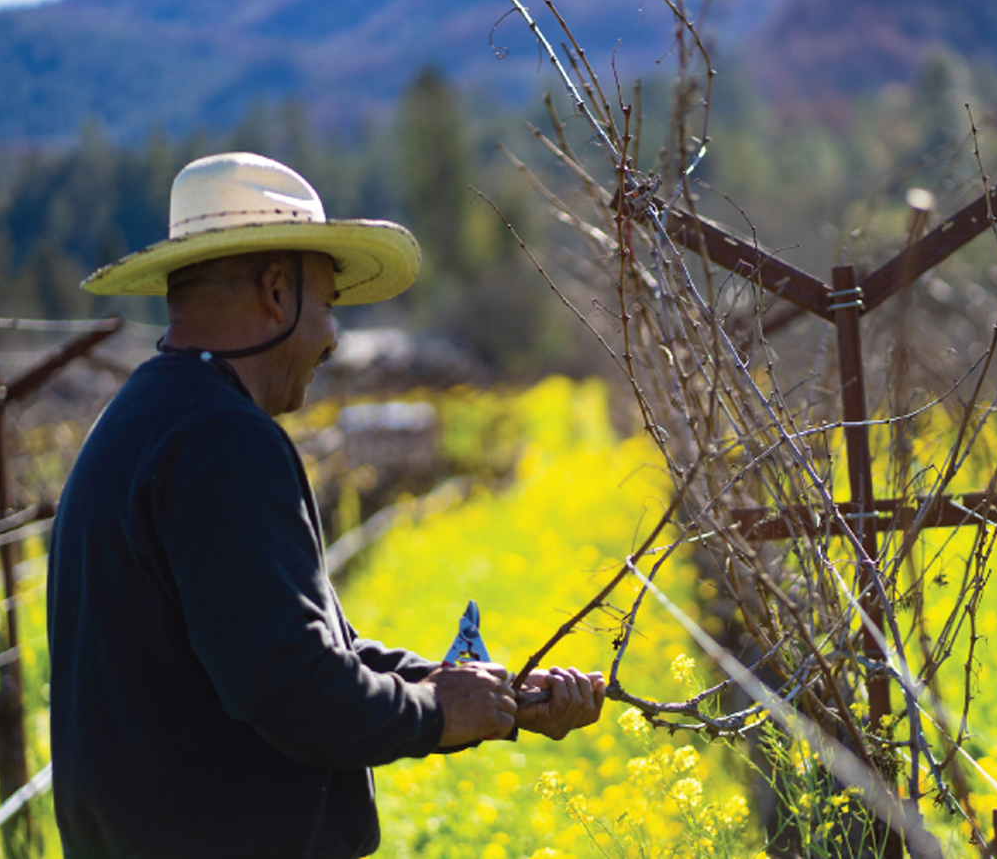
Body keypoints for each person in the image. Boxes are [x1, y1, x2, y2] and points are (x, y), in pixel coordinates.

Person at [47, 152, 605, 859]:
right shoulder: (223, 440)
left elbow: (288, 652)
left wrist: (481, 699)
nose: (332, 339)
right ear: (277, 292)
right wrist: (437, 712)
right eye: (330, 305)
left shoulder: (143, 417)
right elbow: (288, 682)